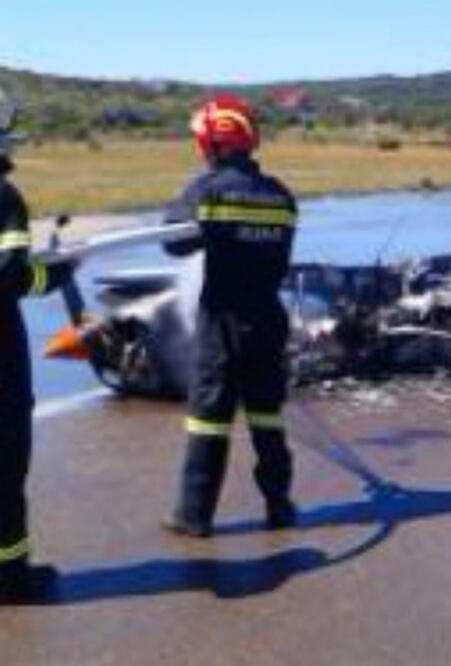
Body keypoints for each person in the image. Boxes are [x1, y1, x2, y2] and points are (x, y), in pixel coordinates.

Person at [161, 93, 299, 537]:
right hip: (267, 317)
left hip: (222, 320)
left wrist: (195, 198)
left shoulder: (208, 190)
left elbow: (173, 241)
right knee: (267, 415)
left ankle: (193, 515)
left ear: (213, 144)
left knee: (209, 418)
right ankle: (279, 505)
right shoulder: (282, 196)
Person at [0, 90, 75, 598]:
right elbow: (11, 278)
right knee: (6, 458)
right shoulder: (4, 198)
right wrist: (59, 272)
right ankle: (10, 576)